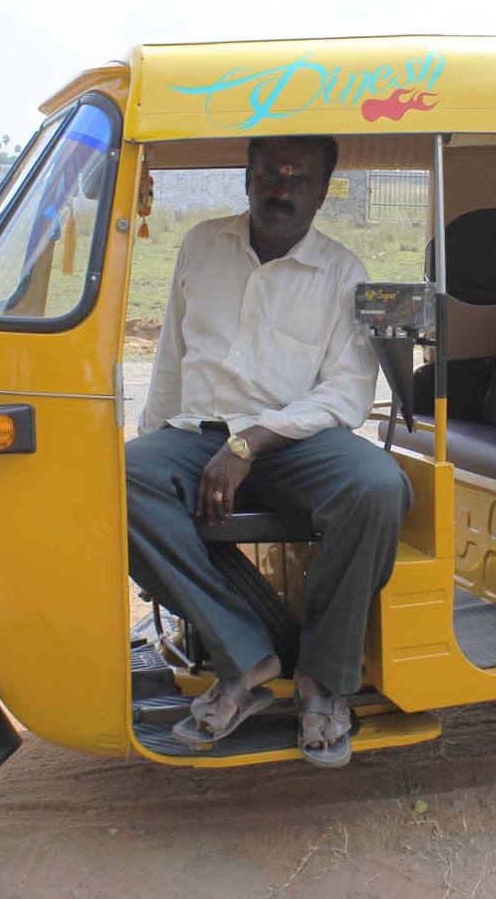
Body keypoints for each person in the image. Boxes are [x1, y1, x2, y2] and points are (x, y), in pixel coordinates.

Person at [125, 135, 412, 768]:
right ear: (247, 178)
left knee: (378, 486)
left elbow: (347, 391)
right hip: (198, 434)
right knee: (119, 481)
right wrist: (153, 441)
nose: (282, 190)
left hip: (291, 440)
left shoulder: (342, 271)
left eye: (299, 180)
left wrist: (250, 442)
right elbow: (172, 355)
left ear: (323, 191)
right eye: (269, 175)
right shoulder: (202, 244)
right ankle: (246, 657)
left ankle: (324, 681)